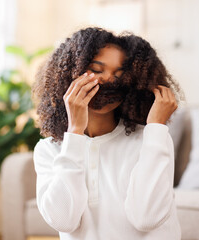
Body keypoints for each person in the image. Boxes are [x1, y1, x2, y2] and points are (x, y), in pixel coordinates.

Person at [31, 27, 186, 240]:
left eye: (120, 75)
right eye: (96, 69)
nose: (109, 80)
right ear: (69, 74)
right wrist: (74, 133)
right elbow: (63, 221)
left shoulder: (152, 138)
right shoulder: (49, 150)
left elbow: (147, 218)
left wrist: (156, 128)